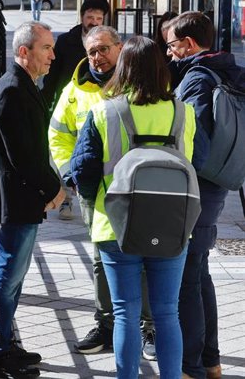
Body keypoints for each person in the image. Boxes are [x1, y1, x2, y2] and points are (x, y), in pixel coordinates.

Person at [70, 36, 202, 379]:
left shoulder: (104, 111)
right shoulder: (183, 112)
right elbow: (193, 162)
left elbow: (82, 170)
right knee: (167, 313)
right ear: (162, 69)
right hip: (172, 225)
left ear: (123, 68)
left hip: (116, 226)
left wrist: (96, 200)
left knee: (125, 313)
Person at [48, 26, 156, 359]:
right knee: (101, 260)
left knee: (145, 258)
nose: (98, 57)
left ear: (120, 47)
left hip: (141, 191)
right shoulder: (74, 91)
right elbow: (57, 135)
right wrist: (71, 174)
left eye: (104, 49)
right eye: (92, 51)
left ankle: (147, 328)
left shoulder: (142, 82)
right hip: (96, 193)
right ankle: (106, 325)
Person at [0, 21, 67, 379]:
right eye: (46, 48)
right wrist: (55, 189)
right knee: (8, 277)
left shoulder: (20, 85)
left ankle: (4, 342)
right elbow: (24, 157)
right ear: (24, 52)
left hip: (20, 196)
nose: (53, 55)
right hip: (18, 198)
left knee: (13, 275)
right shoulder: (12, 91)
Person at [164, 11, 245, 379]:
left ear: (189, 44)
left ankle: (191, 366)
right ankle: (210, 361)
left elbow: (190, 142)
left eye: (171, 46)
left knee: (186, 281)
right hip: (217, 186)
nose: (168, 54)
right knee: (199, 274)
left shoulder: (196, 78)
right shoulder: (229, 68)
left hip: (197, 189)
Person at [41, 0, 109, 220]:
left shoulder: (109, 43)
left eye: (99, 19)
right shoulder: (66, 41)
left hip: (98, 108)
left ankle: (92, 199)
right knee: (64, 153)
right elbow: (52, 75)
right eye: (90, 17)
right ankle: (65, 200)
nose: (94, 22)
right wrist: (45, 99)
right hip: (68, 105)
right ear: (82, 17)